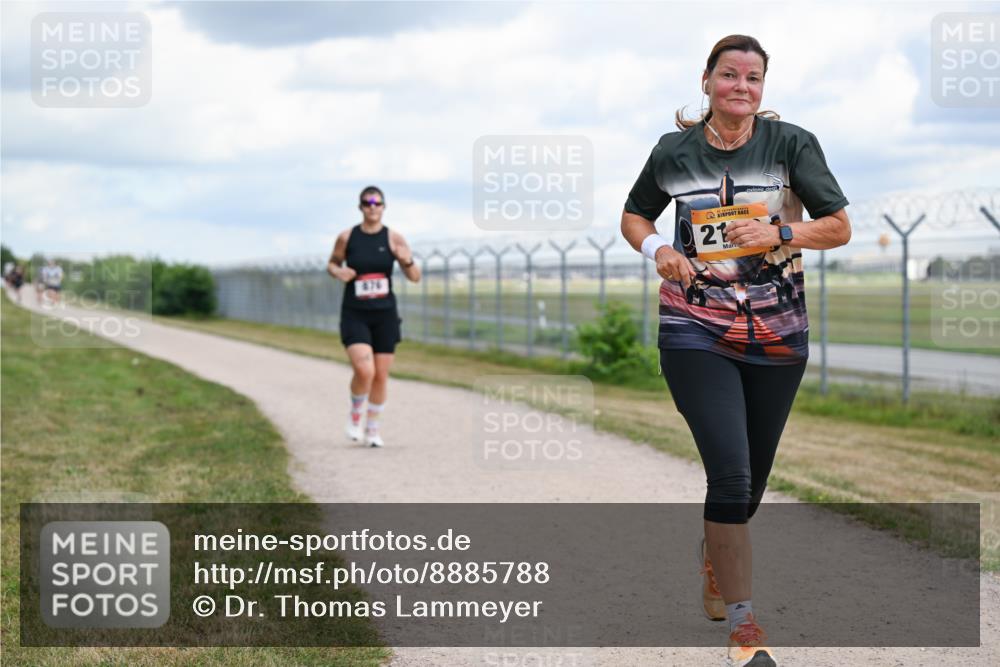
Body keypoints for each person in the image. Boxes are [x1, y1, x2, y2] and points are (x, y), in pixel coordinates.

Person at [620, 35, 851, 667]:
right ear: (706, 82)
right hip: (694, 325)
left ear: (762, 89)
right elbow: (634, 216)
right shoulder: (674, 152)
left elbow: (838, 226)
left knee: (749, 486)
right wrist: (658, 252)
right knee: (730, 472)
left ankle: (715, 557)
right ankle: (746, 629)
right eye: (729, 75)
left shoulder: (790, 146)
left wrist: (780, 229)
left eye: (753, 78)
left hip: (777, 331)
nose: (740, 87)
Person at [327, 186, 421, 447]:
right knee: (364, 369)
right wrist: (338, 272)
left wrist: (407, 261)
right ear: (360, 207)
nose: (372, 207)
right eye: (367, 203)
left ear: (384, 206)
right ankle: (355, 414)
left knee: (380, 374)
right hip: (355, 313)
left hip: (385, 315)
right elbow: (332, 263)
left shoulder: (394, 238)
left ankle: (373, 429)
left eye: (377, 203)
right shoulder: (347, 238)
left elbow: (415, 277)